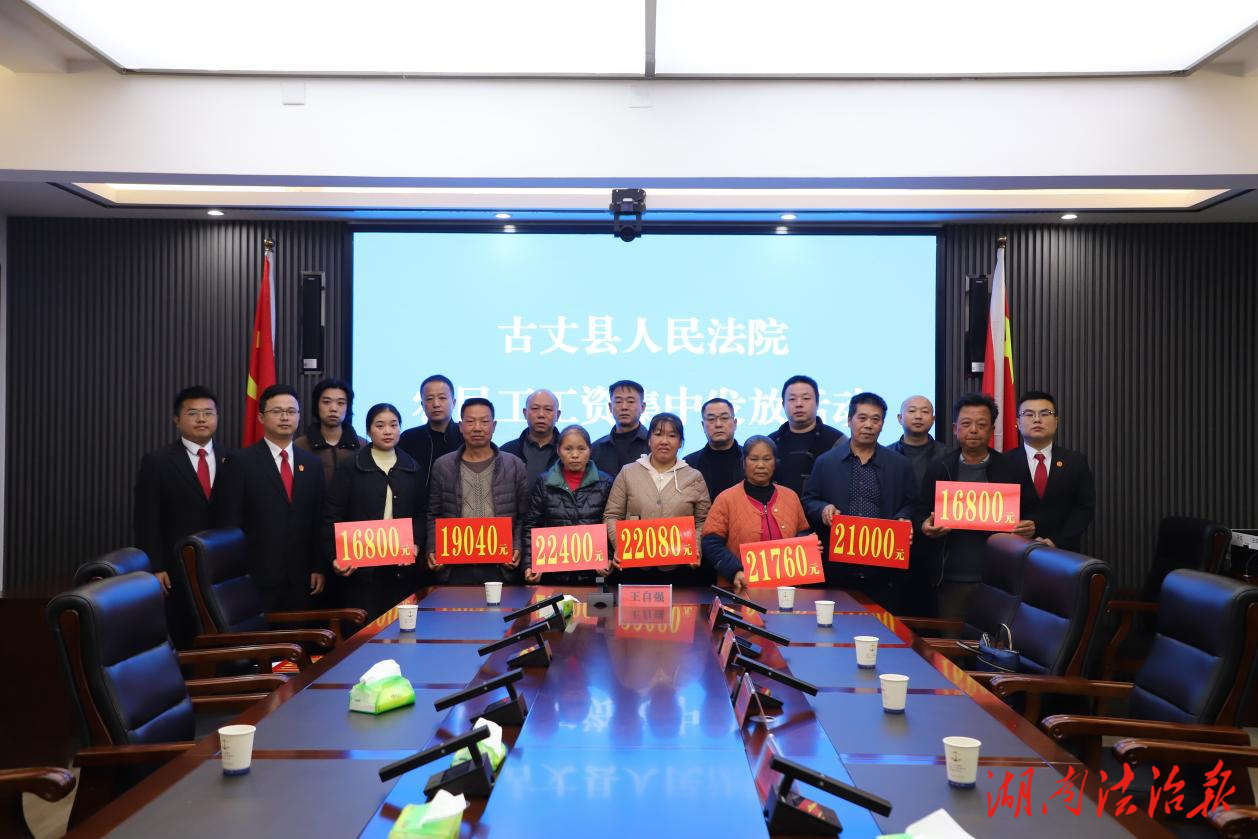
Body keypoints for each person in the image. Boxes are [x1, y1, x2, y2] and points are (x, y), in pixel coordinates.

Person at [214, 384, 326, 612]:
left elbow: (318, 519)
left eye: (291, 411)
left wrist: (318, 567)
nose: (285, 417)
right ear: (261, 417)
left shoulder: (312, 464)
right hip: (255, 575)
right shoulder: (240, 462)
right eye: (277, 411)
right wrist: (237, 572)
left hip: (301, 577)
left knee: (299, 634)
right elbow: (229, 522)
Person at [802, 392, 917, 611]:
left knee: (883, 627)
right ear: (849, 420)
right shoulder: (826, 462)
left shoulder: (899, 464)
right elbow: (809, 500)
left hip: (884, 569)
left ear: (882, 424)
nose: (868, 425)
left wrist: (904, 518)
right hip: (837, 569)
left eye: (876, 419)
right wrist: (823, 509)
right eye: (862, 418)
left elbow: (912, 503)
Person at [920, 394, 1029, 622]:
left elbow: (1029, 512)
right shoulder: (939, 467)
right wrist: (925, 524)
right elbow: (920, 509)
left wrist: (1028, 526)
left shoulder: (1012, 468)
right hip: (950, 577)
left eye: (981, 424)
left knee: (995, 640)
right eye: (966, 423)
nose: (973, 430)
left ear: (992, 430)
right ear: (955, 429)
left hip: (998, 579)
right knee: (951, 639)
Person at [134, 385, 227, 646]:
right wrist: (155, 567)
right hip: (176, 570)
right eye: (193, 413)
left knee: (223, 637)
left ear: (217, 417)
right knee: (184, 637)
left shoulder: (231, 459)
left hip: (222, 568)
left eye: (208, 413)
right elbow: (146, 519)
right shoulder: (157, 462)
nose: (201, 419)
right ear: (177, 419)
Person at [323, 403, 425, 621]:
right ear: (368, 431)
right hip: (361, 568)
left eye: (393, 425)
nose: (387, 431)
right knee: (363, 631)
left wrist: (416, 543)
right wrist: (335, 555)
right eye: (380, 426)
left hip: (400, 568)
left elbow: (421, 513)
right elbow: (332, 514)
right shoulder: (351, 467)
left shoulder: (412, 467)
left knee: (399, 628)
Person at [425, 398, 529, 584]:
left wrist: (517, 547)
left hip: (501, 567)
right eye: (470, 421)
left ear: (494, 426)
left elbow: (524, 517)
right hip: (456, 568)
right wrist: (433, 549)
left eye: (484, 421)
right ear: (460, 426)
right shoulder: (443, 466)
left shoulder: (514, 465)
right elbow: (434, 514)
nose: (477, 428)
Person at [604, 412, 711, 585]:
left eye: (672, 435)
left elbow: (703, 520)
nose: (664, 441)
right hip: (634, 569)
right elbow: (612, 515)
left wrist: (695, 548)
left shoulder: (694, 477)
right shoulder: (628, 472)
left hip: (679, 569)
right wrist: (621, 546)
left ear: (680, 442)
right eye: (658, 434)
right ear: (649, 440)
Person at [701, 436, 812, 593]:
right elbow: (711, 543)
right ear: (744, 463)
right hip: (740, 588)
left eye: (767, 459)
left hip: (787, 591)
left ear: (775, 463)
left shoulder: (791, 497)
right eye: (754, 459)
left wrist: (809, 545)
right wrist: (735, 571)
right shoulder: (726, 499)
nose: (760, 465)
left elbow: (803, 532)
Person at [522, 425, 614, 585]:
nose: (575, 455)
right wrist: (530, 564)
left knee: (594, 602)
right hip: (553, 575)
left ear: (590, 450)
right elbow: (531, 525)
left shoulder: (605, 482)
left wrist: (609, 557)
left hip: (593, 575)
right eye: (568, 449)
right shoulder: (544, 482)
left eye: (581, 449)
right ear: (558, 450)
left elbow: (612, 523)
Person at [1007, 390, 1095, 551]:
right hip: (1015, 551)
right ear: (1018, 423)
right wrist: (1014, 527)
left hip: (1062, 552)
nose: (1037, 419)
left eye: (1045, 413)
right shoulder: (1003, 462)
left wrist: (1057, 541)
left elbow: (1084, 508)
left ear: (1056, 421)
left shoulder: (1075, 461)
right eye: (1029, 414)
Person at [769, 374, 847, 495]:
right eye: (792, 399)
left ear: (817, 403)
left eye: (806, 398)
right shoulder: (770, 442)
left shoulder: (837, 441)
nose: (799, 404)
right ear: (783, 404)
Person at [296, 377, 365, 485]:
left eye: (340, 403)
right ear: (317, 405)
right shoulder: (300, 446)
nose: (333, 408)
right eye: (326, 402)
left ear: (348, 407)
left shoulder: (362, 446)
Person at [397, 374, 463, 487]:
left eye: (442, 398)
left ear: (454, 402)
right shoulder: (409, 438)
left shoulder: (465, 436)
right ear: (422, 404)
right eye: (429, 399)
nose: (436, 404)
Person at [683, 397, 742, 501]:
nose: (718, 424)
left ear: (735, 423)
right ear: (703, 425)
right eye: (711, 419)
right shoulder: (689, 463)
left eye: (724, 418)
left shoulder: (750, 459)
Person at [500, 389, 561, 487]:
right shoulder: (507, 451)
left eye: (548, 409)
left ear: (558, 415)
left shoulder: (569, 452)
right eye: (535, 408)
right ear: (525, 413)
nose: (541, 415)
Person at [590, 380, 650, 476]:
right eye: (618, 402)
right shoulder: (595, 449)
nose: (624, 407)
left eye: (630, 401)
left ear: (642, 407)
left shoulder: (653, 445)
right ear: (610, 407)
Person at [890, 395, 941, 488]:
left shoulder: (948, 455)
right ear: (900, 418)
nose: (918, 416)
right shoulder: (886, 454)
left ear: (933, 420)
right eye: (912, 411)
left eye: (925, 411)